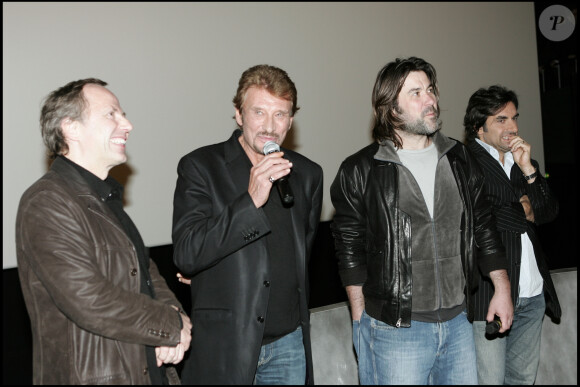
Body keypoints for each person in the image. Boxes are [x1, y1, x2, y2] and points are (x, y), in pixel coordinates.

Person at [330, 57, 514, 385]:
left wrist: (501, 287)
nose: (430, 99)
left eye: (430, 90)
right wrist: (360, 317)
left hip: (458, 323)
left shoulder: (460, 159)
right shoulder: (360, 170)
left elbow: (484, 225)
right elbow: (349, 248)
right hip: (394, 331)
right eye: (415, 93)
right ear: (390, 109)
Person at [16, 78, 192, 385]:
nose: (128, 124)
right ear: (71, 128)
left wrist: (178, 318)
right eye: (111, 114)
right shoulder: (47, 201)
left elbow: (146, 273)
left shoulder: (103, 198)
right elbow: (88, 299)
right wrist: (170, 323)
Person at [172, 64, 323, 385]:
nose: (270, 126)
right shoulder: (200, 167)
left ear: (291, 121)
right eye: (259, 112)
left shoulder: (308, 174)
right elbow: (187, 252)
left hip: (289, 343)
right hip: (227, 344)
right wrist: (251, 199)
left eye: (280, 114)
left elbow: (301, 254)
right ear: (239, 115)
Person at [463, 85, 562, 384]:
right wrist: (522, 208)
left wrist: (529, 169)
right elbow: (481, 219)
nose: (513, 127)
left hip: (532, 294)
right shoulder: (465, 163)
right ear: (479, 128)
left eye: (514, 117)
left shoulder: (521, 160)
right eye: (501, 119)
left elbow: (549, 212)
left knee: (522, 380)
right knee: (490, 381)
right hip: (490, 297)